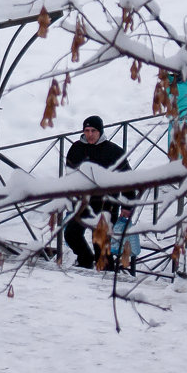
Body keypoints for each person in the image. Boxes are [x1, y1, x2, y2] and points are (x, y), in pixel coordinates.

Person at [63, 115, 136, 272]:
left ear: (100, 131)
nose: (90, 134)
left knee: (100, 242)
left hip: (106, 203)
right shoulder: (76, 148)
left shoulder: (113, 151)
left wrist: (127, 205)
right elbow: (69, 174)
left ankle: (106, 273)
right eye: (87, 130)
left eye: (93, 131)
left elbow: (127, 179)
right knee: (71, 233)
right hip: (83, 202)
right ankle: (85, 259)